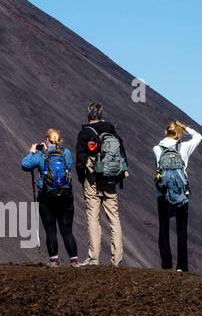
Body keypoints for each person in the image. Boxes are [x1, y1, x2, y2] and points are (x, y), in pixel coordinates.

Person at [74, 101, 129, 266]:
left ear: (88, 114)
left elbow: (80, 159)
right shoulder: (111, 130)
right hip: (110, 179)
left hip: (92, 179)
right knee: (114, 217)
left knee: (93, 217)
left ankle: (94, 258)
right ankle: (117, 259)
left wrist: (82, 178)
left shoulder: (85, 133)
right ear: (101, 114)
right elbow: (121, 153)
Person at [21, 129, 79, 267]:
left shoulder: (41, 154)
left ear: (47, 140)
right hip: (65, 197)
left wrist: (32, 152)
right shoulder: (66, 153)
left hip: (47, 198)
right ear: (59, 141)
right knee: (67, 230)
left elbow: (25, 165)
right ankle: (74, 261)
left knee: (50, 229)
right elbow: (69, 167)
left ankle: (54, 261)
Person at [153, 120, 202, 272]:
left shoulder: (157, 148)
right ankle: (182, 266)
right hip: (182, 192)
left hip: (163, 192)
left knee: (164, 228)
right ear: (178, 133)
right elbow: (199, 136)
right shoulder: (185, 147)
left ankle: (166, 265)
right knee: (181, 229)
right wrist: (185, 128)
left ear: (165, 133)